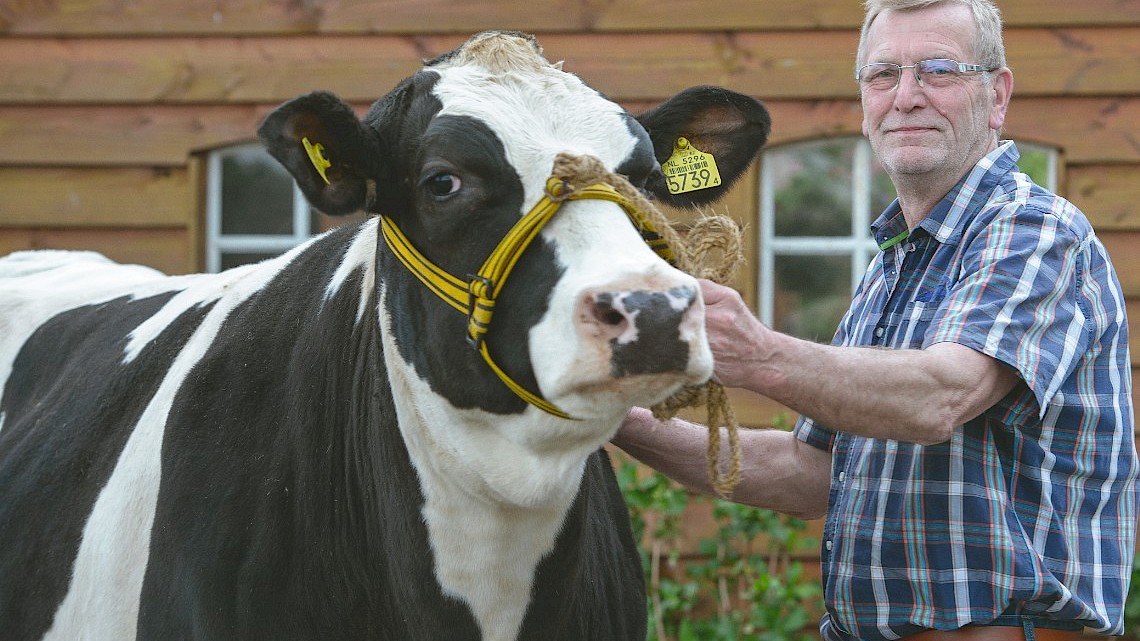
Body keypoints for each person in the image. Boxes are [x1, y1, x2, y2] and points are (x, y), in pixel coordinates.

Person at [612, 0, 1139, 639]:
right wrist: (617, 419)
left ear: (996, 96)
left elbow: (941, 397)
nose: (906, 97)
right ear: (864, 102)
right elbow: (815, 474)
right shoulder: (892, 265)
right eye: (883, 75)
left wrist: (756, 353)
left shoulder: (1035, 233)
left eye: (938, 71)